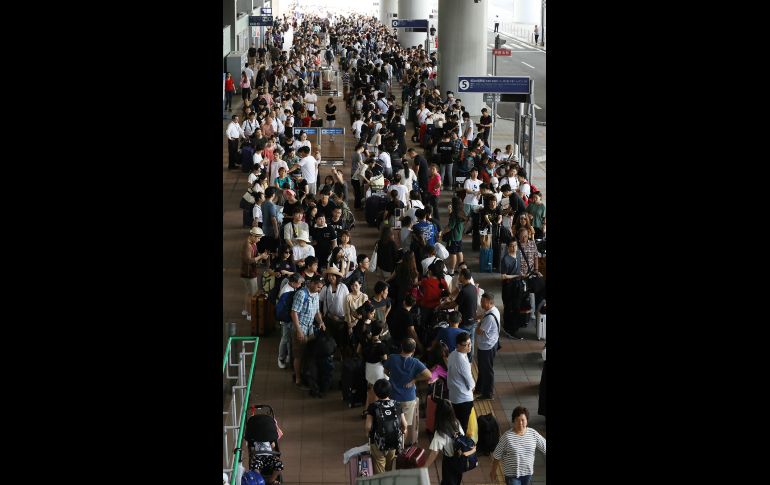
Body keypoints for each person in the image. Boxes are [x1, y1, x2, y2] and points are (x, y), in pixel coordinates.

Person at [382, 338, 432, 447]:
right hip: (408, 398)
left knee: (392, 422)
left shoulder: (392, 358)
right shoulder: (415, 362)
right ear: (413, 350)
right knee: (404, 426)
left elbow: (385, 371)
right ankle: (401, 446)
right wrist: (414, 380)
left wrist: (393, 378)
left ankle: (391, 444)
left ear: (401, 347)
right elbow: (428, 375)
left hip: (393, 396)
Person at [422, 398, 477, 485]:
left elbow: (434, 453)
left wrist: (424, 467)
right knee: (457, 480)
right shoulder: (456, 422)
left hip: (449, 461)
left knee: (448, 481)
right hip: (460, 459)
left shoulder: (440, 432)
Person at [490, 406, 546, 485]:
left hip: (528, 474)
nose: (520, 423)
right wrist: (493, 471)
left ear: (527, 421)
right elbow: (497, 455)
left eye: (523, 420)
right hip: (512, 476)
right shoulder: (507, 437)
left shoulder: (533, 434)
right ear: (513, 421)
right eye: (517, 420)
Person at [290, 275, 326, 390]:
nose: (319, 290)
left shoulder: (315, 294)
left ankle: (305, 374)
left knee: (307, 353)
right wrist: (299, 331)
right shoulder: (301, 294)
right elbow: (294, 313)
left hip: (310, 329)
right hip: (300, 329)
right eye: (318, 287)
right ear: (312, 283)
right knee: (298, 355)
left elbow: (316, 311)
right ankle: (298, 378)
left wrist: (321, 322)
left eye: (321, 288)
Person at [365, 378, 408, 474]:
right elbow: (404, 424)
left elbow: (368, 426)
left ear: (375, 392)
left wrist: (368, 434)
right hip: (393, 442)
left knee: (380, 467)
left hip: (378, 443)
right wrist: (404, 431)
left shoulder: (373, 407)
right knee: (389, 466)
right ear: (390, 391)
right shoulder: (397, 405)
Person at [447, 332, 475, 433]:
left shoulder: (453, 354)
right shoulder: (461, 360)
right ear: (458, 345)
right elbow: (470, 382)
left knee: (456, 422)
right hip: (463, 398)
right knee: (463, 426)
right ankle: (461, 445)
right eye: (466, 345)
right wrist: (473, 386)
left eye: (470, 343)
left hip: (454, 395)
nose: (469, 347)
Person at [475, 292, 500, 400]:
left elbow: (479, 331)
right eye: (481, 301)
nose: (481, 304)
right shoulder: (493, 310)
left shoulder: (490, 317)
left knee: (487, 370)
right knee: (482, 368)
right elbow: (483, 315)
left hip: (487, 347)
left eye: (483, 302)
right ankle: (479, 388)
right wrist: (478, 317)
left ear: (490, 303)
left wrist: (476, 324)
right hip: (491, 343)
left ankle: (488, 393)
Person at [241, 227, 270, 322]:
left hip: (248, 272)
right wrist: (261, 256)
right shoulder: (247, 245)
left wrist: (262, 256)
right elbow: (248, 260)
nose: (259, 240)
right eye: (258, 238)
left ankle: (245, 311)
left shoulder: (253, 243)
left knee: (248, 293)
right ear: (253, 236)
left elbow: (256, 255)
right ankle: (250, 314)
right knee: (253, 295)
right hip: (249, 273)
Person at [277, 273, 304, 370]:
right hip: (286, 320)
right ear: (293, 282)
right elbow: (283, 309)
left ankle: (288, 357)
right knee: (285, 339)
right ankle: (280, 358)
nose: (300, 285)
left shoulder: (292, 288)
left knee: (288, 339)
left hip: (289, 319)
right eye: (299, 283)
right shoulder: (286, 292)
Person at [442, 196, 467, 275]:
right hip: (459, 236)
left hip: (453, 237)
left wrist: (443, 232)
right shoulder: (462, 212)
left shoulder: (454, 214)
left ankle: (451, 271)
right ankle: (461, 269)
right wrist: (450, 212)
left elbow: (450, 227)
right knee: (459, 251)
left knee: (453, 254)